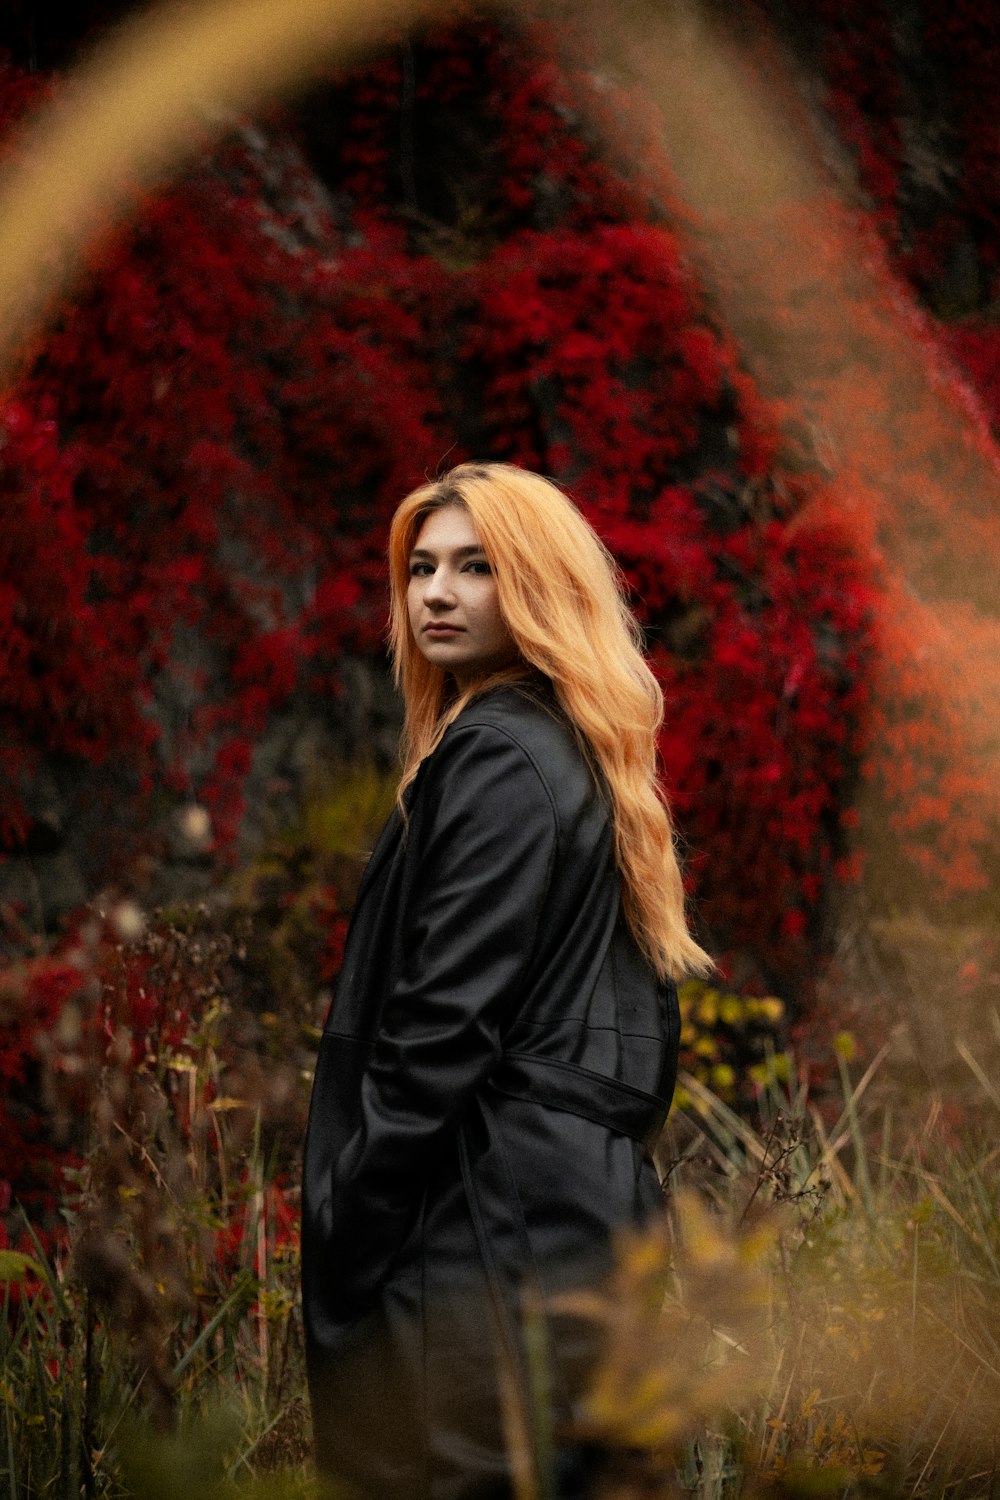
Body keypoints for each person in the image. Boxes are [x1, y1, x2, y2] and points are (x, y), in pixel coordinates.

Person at [301, 462, 712, 1500]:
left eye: (476, 568)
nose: (435, 593)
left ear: (535, 584)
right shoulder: (572, 755)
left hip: (488, 1232)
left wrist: (348, 1220)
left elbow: (441, 1029)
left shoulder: (499, 757)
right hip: (576, 1221)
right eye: (423, 568)